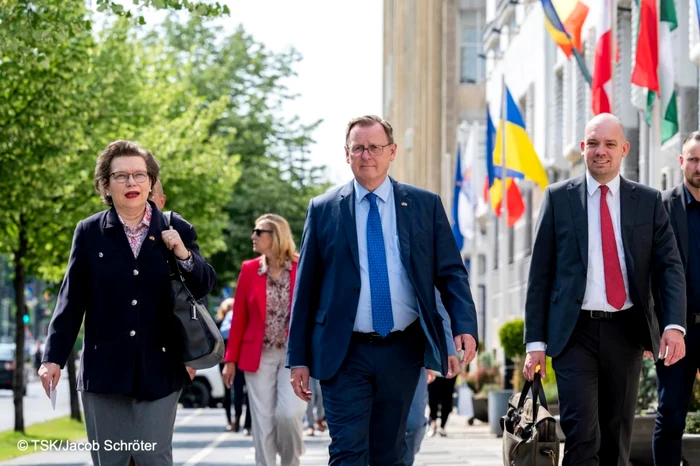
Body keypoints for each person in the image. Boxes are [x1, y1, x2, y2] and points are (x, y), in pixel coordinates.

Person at [286, 115, 478, 465]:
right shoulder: (324, 209)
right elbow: (306, 288)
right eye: (358, 148)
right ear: (346, 154)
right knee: (347, 451)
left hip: (401, 348)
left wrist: (464, 326)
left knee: (389, 452)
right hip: (343, 352)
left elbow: (451, 272)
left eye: (374, 147)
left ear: (392, 152)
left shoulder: (424, 205)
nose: (366, 155)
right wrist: (298, 357)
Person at [39, 140, 216, 466]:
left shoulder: (175, 227)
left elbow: (204, 284)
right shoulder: (89, 232)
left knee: (154, 459)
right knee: (112, 460)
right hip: (104, 372)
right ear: (105, 185)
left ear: (151, 181)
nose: (131, 183)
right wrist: (53, 358)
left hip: (161, 368)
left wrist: (184, 254)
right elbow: (71, 299)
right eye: (121, 176)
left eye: (139, 175)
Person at [523, 113, 686, 466]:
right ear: (582, 148)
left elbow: (669, 268)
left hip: (626, 332)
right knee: (583, 437)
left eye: (610, 144)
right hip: (573, 333)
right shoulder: (558, 199)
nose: (601, 151)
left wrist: (672, 326)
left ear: (624, 149)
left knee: (616, 442)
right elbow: (540, 276)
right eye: (593, 143)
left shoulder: (648, 201)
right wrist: (534, 344)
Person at [222, 214, 306, 465]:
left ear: (276, 236)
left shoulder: (301, 267)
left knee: (289, 414)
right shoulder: (249, 269)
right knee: (263, 424)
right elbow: (239, 320)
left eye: (259, 232)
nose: (253, 236)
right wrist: (230, 360)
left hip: (296, 358)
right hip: (258, 356)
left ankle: (291, 462)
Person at [652, 131, 700, 466]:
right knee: (670, 418)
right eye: (694, 159)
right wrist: (655, 328)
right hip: (676, 331)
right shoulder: (662, 206)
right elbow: (649, 273)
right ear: (681, 162)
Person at [404, 292, 459, 465]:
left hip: (414, 353)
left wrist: (449, 350)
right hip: (361, 349)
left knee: (415, 423)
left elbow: (437, 306)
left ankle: (404, 461)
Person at [217, 297, 252, 434]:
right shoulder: (246, 319)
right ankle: (248, 425)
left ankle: (234, 420)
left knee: (232, 392)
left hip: (227, 360)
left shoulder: (221, 323)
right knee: (248, 393)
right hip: (245, 359)